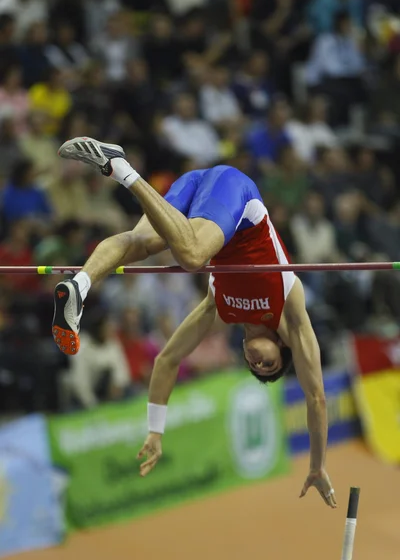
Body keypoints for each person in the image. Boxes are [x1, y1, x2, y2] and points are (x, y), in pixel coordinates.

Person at [52, 136, 336, 509]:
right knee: (192, 256)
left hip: (198, 194)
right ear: (282, 345)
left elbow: (167, 360)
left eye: (257, 368)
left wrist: (156, 430)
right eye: (269, 363)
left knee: (139, 244)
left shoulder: (220, 307)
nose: (257, 362)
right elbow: (315, 396)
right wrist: (317, 465)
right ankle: (119, 166)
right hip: (237, 197)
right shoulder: (290, 310)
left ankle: (79, 285)